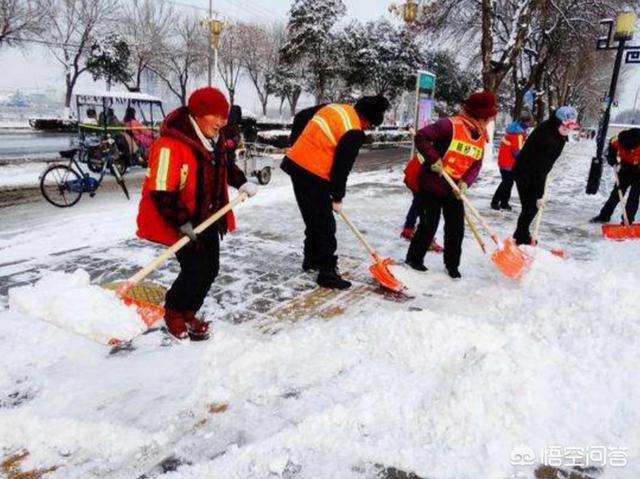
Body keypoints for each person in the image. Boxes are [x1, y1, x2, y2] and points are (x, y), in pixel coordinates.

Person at [136, 87, 258, 341]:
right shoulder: (170, 145)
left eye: (225, 116)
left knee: (211, 268)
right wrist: (182, 222)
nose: (223, 122)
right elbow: (161, 190)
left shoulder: (216, 139)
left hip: (210, 219)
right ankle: (173, 313)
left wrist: (241, 182)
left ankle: (190, 312)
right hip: (182, 221)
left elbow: (227, 165)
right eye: (217, 116)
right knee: (193, 270)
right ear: (199, 114)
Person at [281, 95, 390, 290]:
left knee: (313, 218)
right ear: (367, 119)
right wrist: (338, 196)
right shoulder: (354, 131)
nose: (368, 129)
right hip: (314, 174)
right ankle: (327, 272)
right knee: (325, 225)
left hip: (295, 166)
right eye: (370, 125)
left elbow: (301, 117)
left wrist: (297, 143)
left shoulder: (335, 108)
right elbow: (342, 168)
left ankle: (312, 260)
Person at [404, 90, 497, 279]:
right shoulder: (449, 125)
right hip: (431, 183)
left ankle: (452, 265)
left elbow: (476, 163)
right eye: (488, 116)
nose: (489, 120)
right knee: (429, 224)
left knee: (456, 228)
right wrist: (434, 159)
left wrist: (466, 182)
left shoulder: (480, 134)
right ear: (480, 114)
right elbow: (421, 137)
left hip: (454, 188)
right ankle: (414, 259)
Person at [512, 106, 580, 245]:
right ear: (558, 122)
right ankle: (521, 237)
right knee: (531, 207)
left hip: (531, 170)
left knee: (530, 208)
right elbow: (539, 169)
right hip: (526, 173)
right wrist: (539, 194)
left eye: (571, 126)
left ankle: (521, 234)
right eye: (567, 125)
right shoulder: (548, 138)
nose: (569, 129)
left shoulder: (554, 130)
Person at [590, 128, 640, 224]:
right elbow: (610, 152)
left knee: (634, 195)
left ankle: (628, 221)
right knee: (616, 193)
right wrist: (613, 161)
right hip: (625, 168)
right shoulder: (617, 140)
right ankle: (604, 216)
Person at [491, 109, 533, 210]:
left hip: (504, 161)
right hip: (509, 163)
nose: (530, 124)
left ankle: (504, 203)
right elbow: (517, 152)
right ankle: (495, 202)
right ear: (525, 122)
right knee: (507, 183)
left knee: (508, 183)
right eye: (529, 122)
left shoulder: (514, 129)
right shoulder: (517, 134)